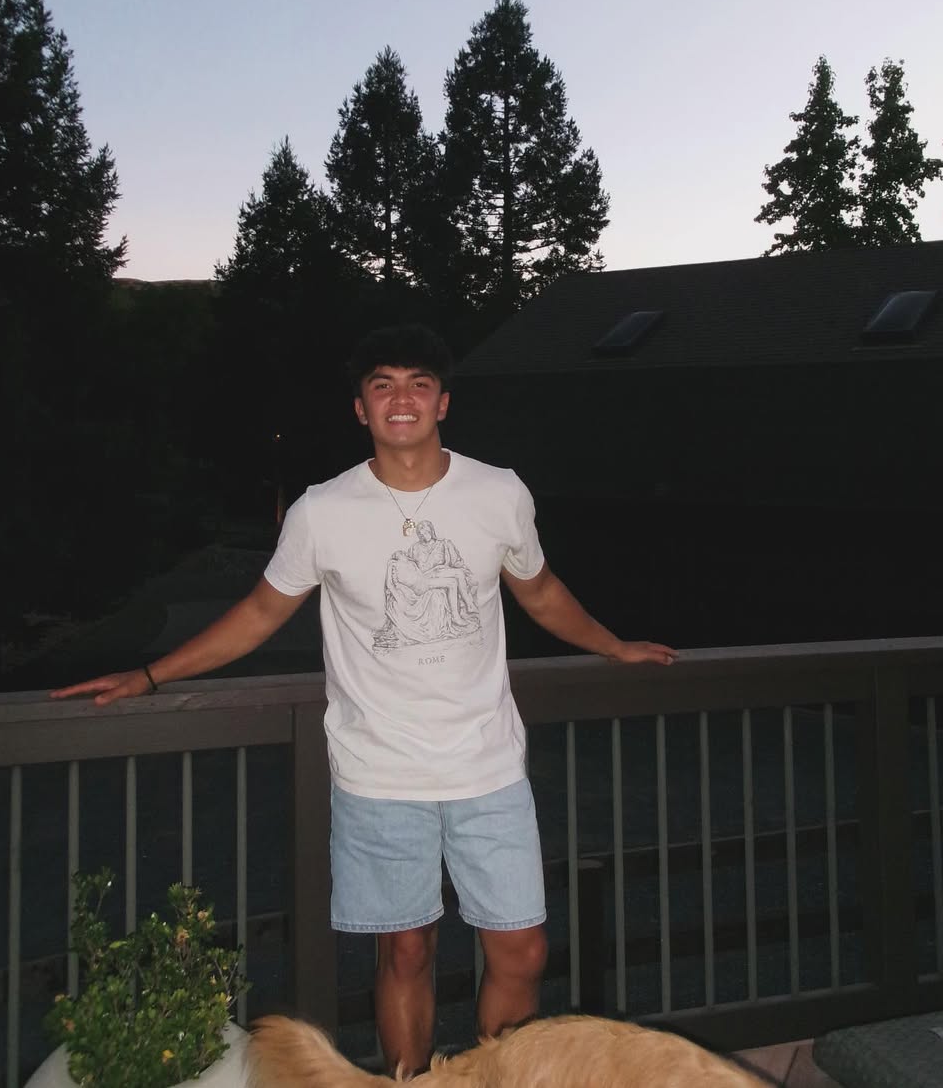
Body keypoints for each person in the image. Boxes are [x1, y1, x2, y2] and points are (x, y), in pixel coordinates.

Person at [52, 324, 677, 1076]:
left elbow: (539, 590)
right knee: (405, 951)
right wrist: (150, 676)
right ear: (361, 408)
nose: (401, 398)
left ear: (443, 402)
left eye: (418, 383)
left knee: (522, 948)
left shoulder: (498, 492)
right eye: (383, 384)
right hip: (379, 772)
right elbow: (259, 614)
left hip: (487, 765)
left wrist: (613, 645)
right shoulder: (322, 511)